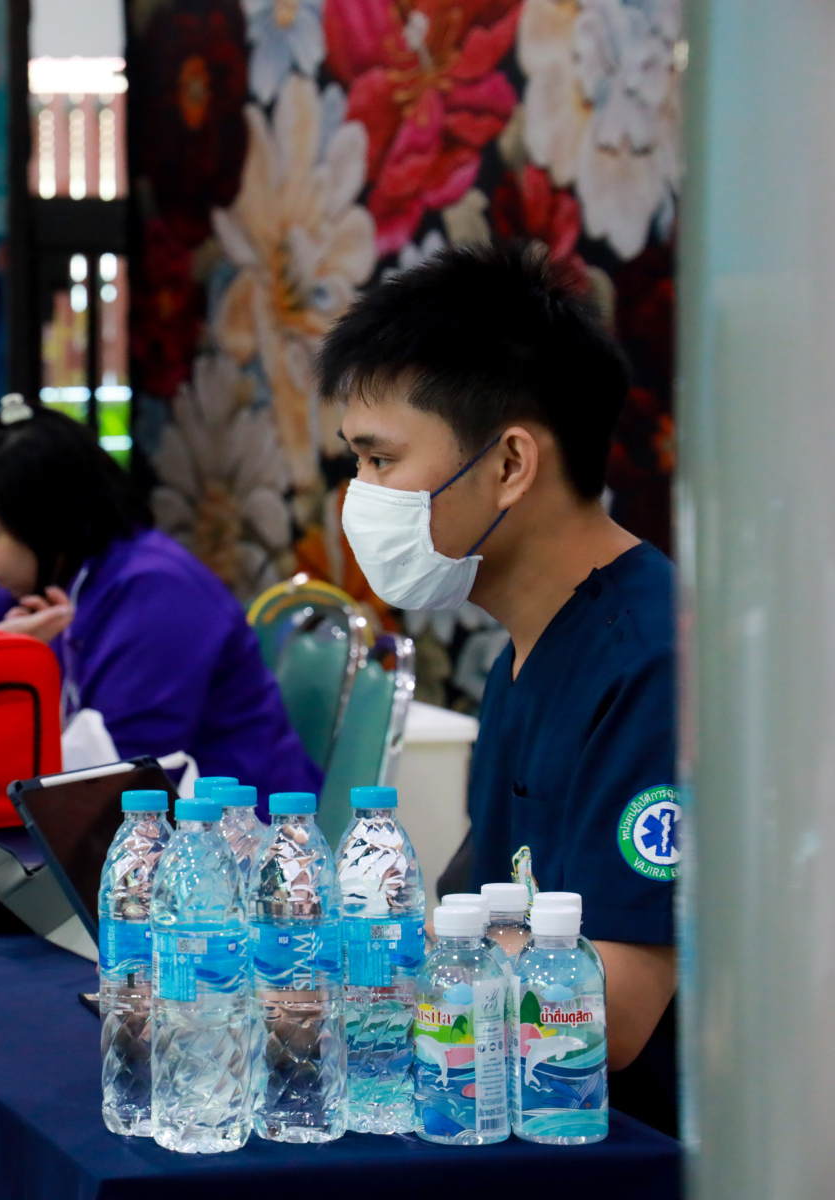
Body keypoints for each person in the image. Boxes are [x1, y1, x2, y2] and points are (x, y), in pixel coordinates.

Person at [319, 243, 678, 1135]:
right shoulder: (528, 648)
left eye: (380, 460)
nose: (359, 497)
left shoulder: (653, 664)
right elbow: (467, 919)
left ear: (510, 464)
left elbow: (613, 1014)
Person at [0, 395, 321, 802]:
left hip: (235, 823)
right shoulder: (15, 582)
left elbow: (118, 783)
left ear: (48, 521)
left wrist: (2, 669)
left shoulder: (162, 595)